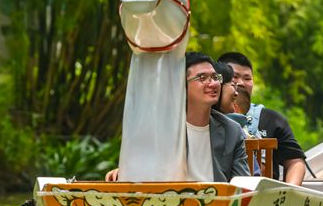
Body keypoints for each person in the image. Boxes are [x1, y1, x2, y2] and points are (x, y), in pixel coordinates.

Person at [106, 52, 250, 182]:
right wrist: (125, 173)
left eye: (214, 77)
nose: (212, 83)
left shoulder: (232, 131)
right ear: (181, 85)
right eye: (202, 78)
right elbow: (143, 169)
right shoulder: (160, 129)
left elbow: (244, 185)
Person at [217, 52, 307, 185]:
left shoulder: (273, 119)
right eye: (235, 77)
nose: (241, 83)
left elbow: (295, 162)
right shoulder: (207, 118)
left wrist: (288, 194)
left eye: (247, 78)